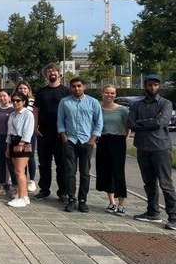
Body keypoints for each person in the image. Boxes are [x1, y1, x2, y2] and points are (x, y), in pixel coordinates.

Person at [129, 74, 176, 230]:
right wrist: (151, 122)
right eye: (150, 84)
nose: (153, 87)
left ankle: (174, 216)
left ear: (159, 86)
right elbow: (131, 124)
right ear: (145, 86)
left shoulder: (166, 104)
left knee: (165, 184)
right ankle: (153, 212)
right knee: (149, 183)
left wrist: (141, 122)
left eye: (155, 85)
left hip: (160, 148)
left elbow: (162, 122)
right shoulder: (137, 105)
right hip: (142, 148)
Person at [57, 77, 103, 213]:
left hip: (86, 141)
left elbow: (99, 122)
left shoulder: (93, 102)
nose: (76, 89)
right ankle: (71, 199)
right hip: (70, 141)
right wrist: (64, 138)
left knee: (85, 173)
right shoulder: (65, 102)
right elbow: (60, 121)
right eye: (73, 86)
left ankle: (83, 200)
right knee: (70, 172)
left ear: (84, 87)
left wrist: (92, 140)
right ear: (70, 88)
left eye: (79, 86)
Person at [33, 63, 70, 202]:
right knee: (44, 164)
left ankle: (63, 192)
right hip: (44, 133)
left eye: (54, 70)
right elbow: (36, 110)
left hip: (61, 134)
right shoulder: (41, 92)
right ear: (46, 75)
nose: (51, 73)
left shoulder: (66, 91)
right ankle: (44, 190)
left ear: (59, 73)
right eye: (49, 71)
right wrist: (35, 127)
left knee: (62, 164)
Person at [96, 85, 129, 216]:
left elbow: (127, 127)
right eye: (107, 93)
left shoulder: (122, 110)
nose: (109, 95)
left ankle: (121, 204)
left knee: (118, 172)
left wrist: (123, 139)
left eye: (112, 93)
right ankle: (111, 202)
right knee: (106, 172)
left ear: (115, 94)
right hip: (103, 140)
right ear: (102, 93)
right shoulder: (98, 109)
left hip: (118, 141)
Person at [5, 91, 35, 207]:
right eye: (13, 101)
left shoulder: (28, 114)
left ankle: (21, 198)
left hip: (22, 142)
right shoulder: (12, 114)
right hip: (13, 141)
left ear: (23, 102)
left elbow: (28, 131)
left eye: (18, 101)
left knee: (19, 171)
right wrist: (8, 146)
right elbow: (9, 131)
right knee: (17, 171)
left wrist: (21, 144)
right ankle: (24, 195)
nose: (15, 103)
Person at [15, 81, 37, 192]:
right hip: (17, 134)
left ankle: (31, 180)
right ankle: (22, 179)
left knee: (30, 156)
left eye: (25, 88)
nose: (23, 90)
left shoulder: (33, 101)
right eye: (20, 88)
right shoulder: (15, 101)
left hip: (29, 133)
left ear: (28, 90)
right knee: (20, 157)